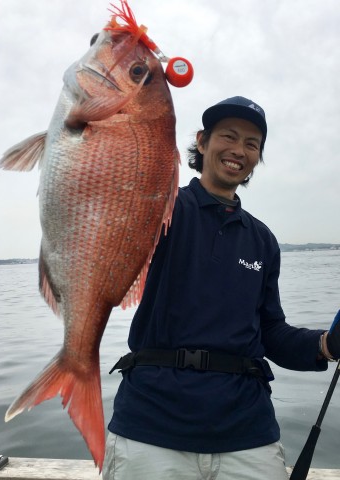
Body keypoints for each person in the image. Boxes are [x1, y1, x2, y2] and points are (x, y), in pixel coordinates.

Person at [102, 96, 340, 480]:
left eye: (252, 144)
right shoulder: (160, 207)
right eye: (229, 136)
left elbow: (270, 333)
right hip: (151, 426)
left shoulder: (263, 240)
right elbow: (117, 193)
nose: (239, 150)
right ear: (202, 140)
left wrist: (327, 345)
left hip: (247, 432)